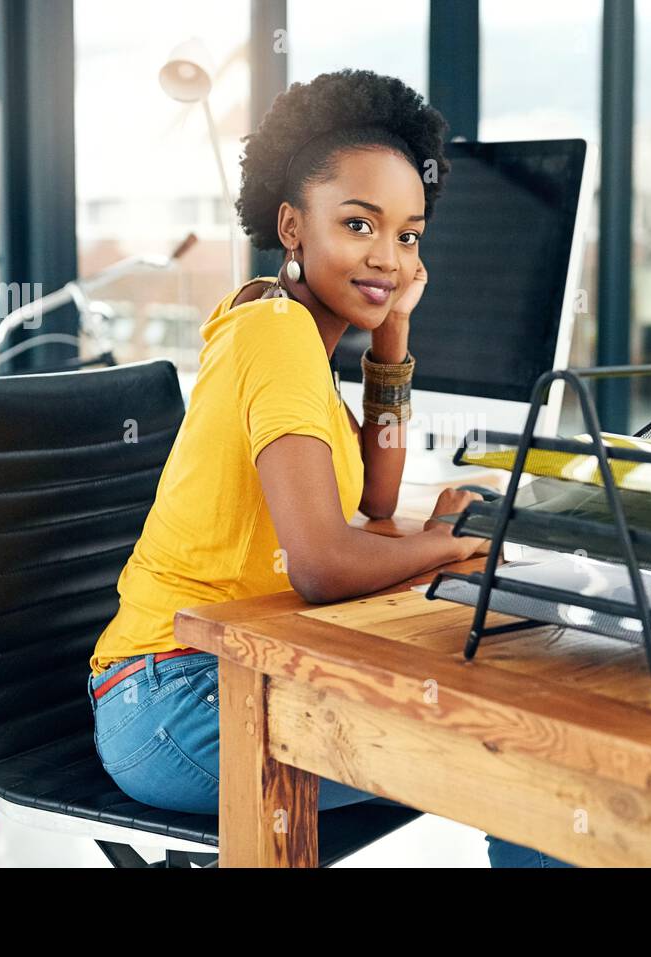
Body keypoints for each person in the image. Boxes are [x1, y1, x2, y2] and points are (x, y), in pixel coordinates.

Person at [85, 69, 574, 868]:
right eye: (359, 224)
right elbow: (321, 563)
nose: (388, 256)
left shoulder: (294, 337)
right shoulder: (274, 332)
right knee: (520, 750)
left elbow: (376, 496)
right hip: (173, 697)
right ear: (292, 225)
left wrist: (390, 333)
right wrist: (449, 546)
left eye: (408, 235)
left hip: (221, 671)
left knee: (516, 721)